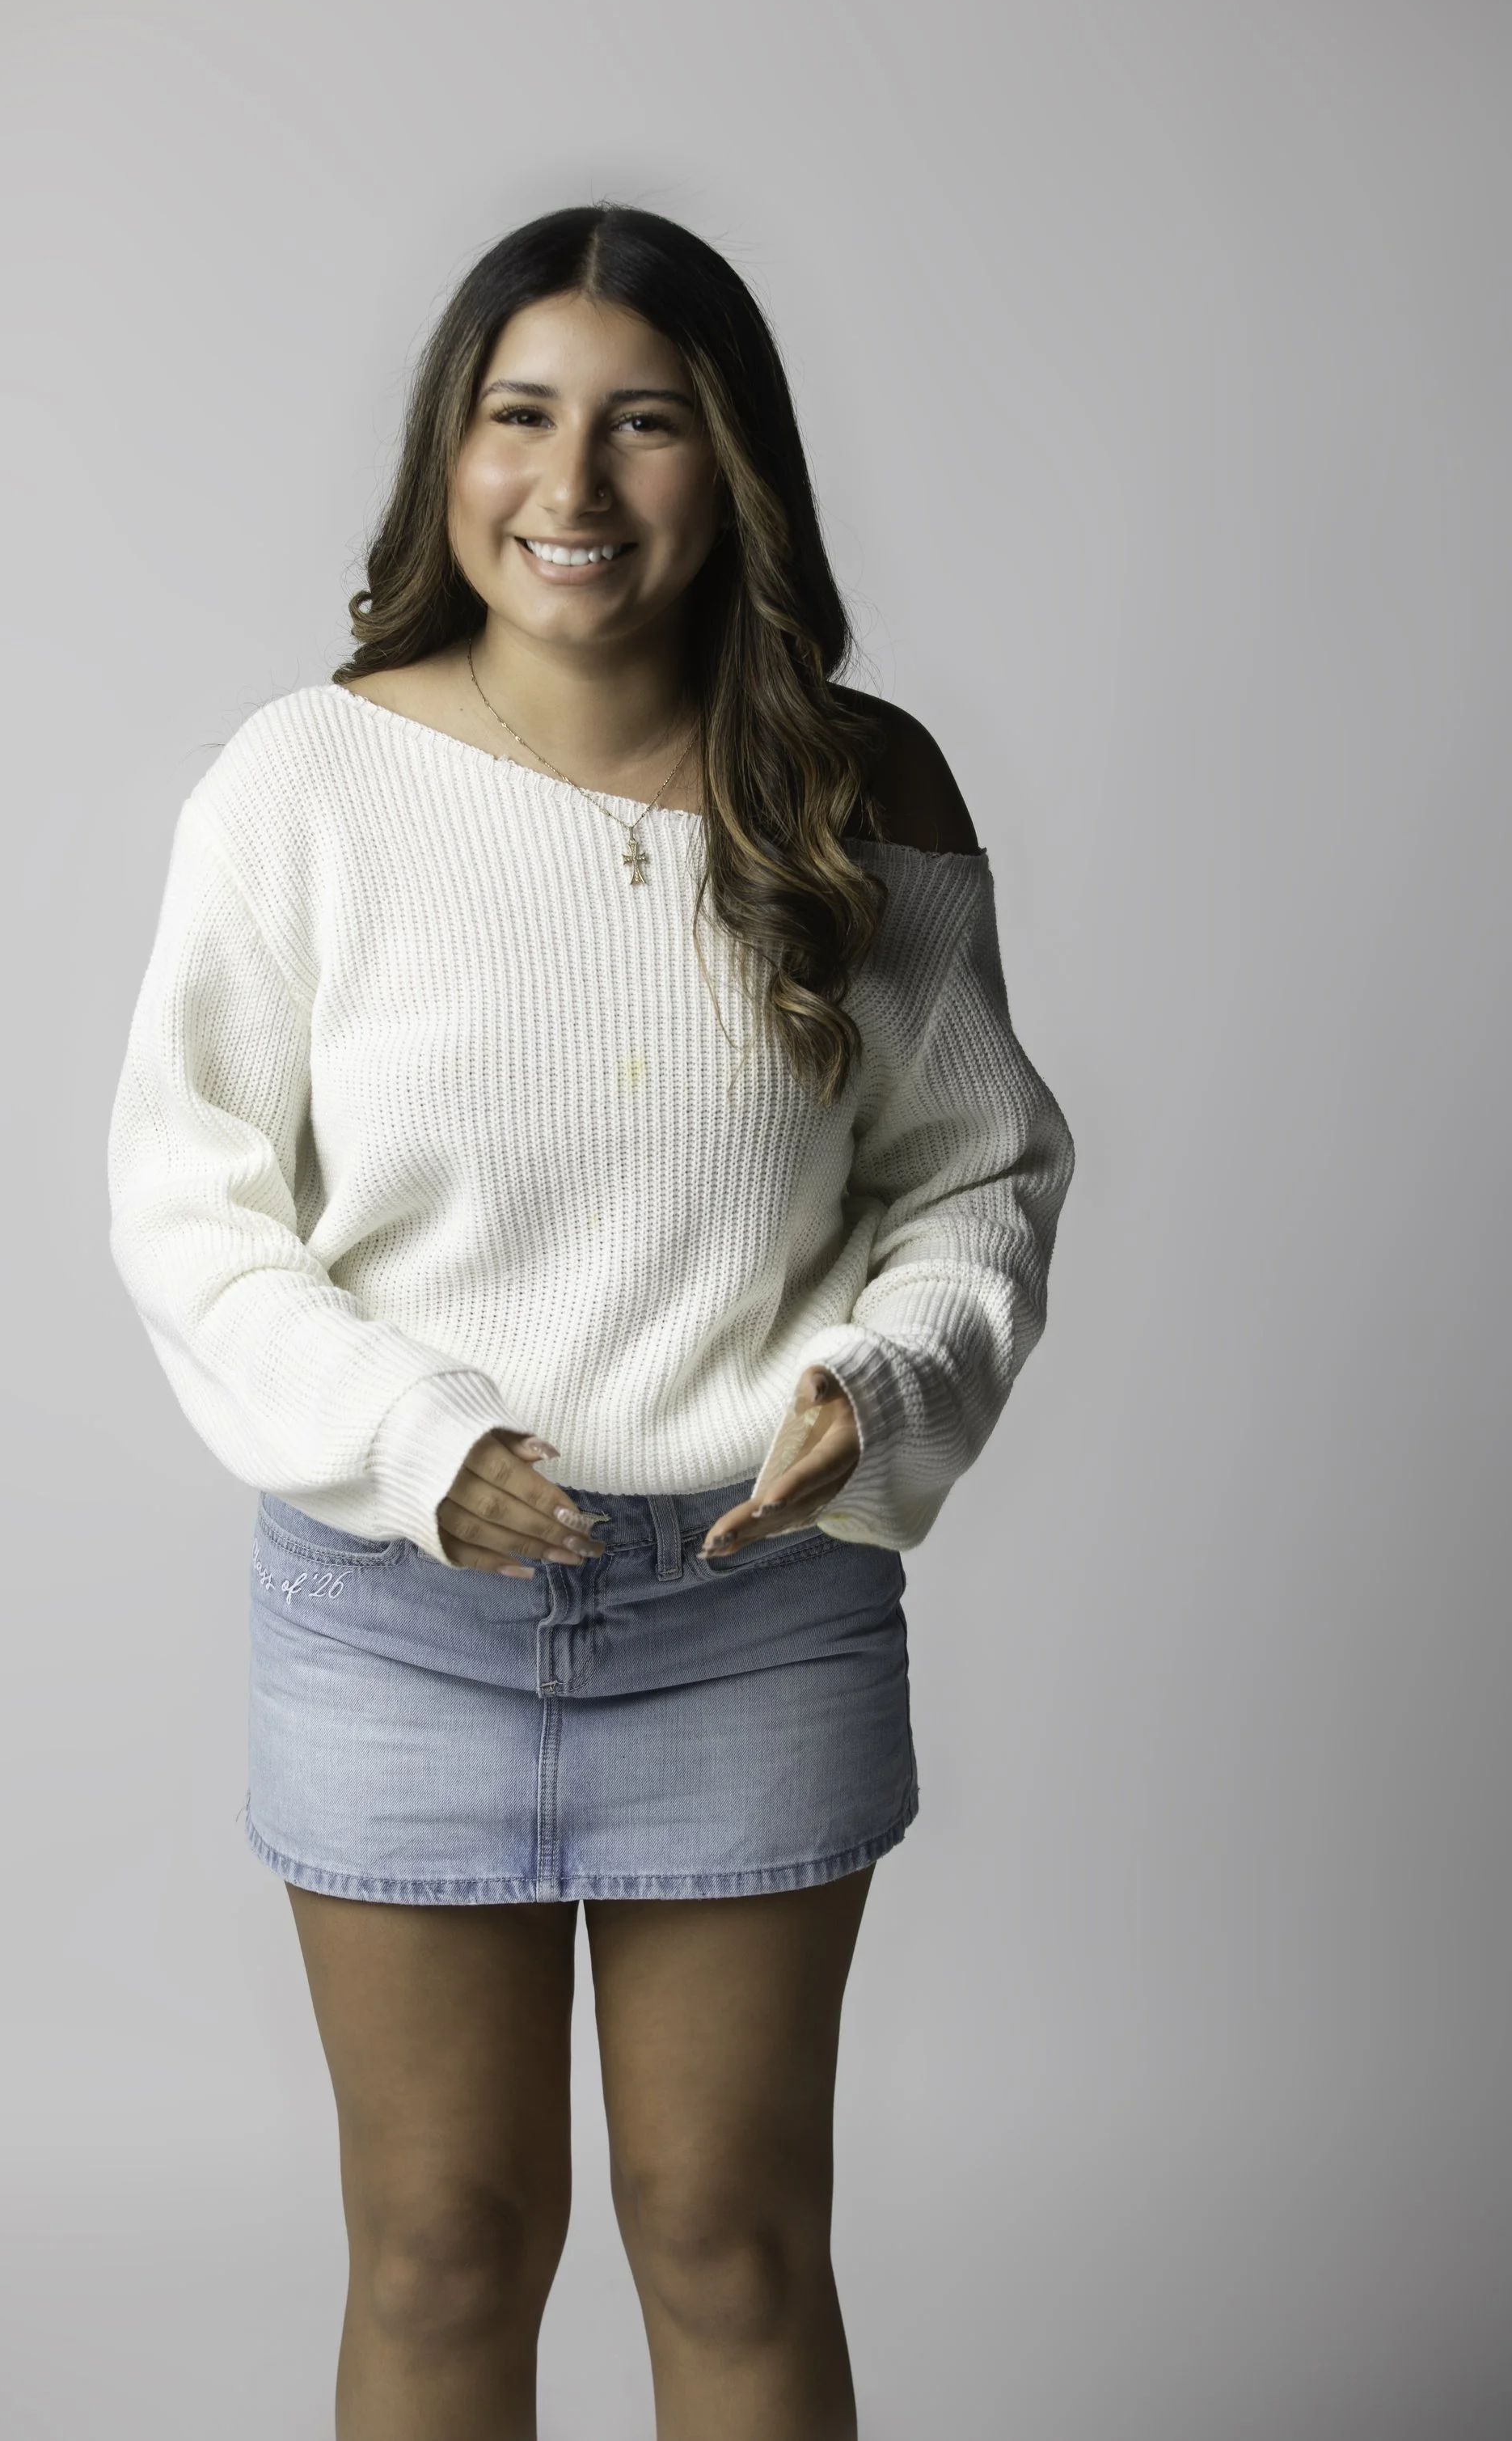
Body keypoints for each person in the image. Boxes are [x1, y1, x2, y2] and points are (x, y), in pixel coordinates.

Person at [107, 202, 1074, 2441]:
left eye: (642, 423)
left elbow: (974, 1173)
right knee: (441, 2248)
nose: (570, 482)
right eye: (516, 414)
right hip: (391, 1603)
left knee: (727, 2234)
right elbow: (189, 1198)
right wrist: (416, 1432)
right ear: (446, 453)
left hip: (753, 1605)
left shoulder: (859, 788)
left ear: (728, 462)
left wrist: (884, 1376)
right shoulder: (304, 786)